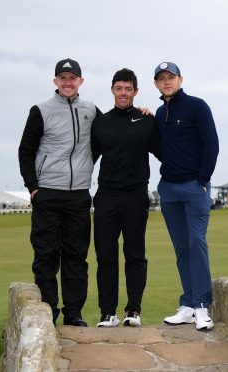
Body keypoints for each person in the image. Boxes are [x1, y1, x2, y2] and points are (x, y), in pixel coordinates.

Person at [18, 58, 101, 327]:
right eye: (62, 78)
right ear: (55, 81)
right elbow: (26, 151)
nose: (68, 82)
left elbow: (104, 137)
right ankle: (48, 312)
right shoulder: (40, 110)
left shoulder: (91, 110)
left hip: (78, 194)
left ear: (81, 81)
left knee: (76, 256)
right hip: (47, 194)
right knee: (46, 255)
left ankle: (73, 312)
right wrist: (33, 187)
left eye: (72, 78)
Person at [91, 68, 161, 327]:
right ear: (112, 89)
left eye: (128, 89)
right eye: (119, 88)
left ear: (135, 92)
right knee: (105, 256)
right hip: (106, 196)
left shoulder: (146, 120)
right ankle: (108, 313)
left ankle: (133, 310)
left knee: (135, 254)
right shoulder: (101, 122)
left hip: (135, 196)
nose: (123, 93)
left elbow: (165, 152)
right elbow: (87, 158)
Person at [153, 62, 219, 330]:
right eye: (161, 79)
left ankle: (202, 306)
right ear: (156, 83)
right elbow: (160, 147)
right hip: (169, 188)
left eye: (171, 77)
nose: (166, 82)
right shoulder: (159, 113)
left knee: (196, 243)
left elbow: (211, 144)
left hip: (195, 186)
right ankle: (189, 304)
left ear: (180, 79)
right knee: (181, 249)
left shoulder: (197, 106)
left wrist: (202, 179)